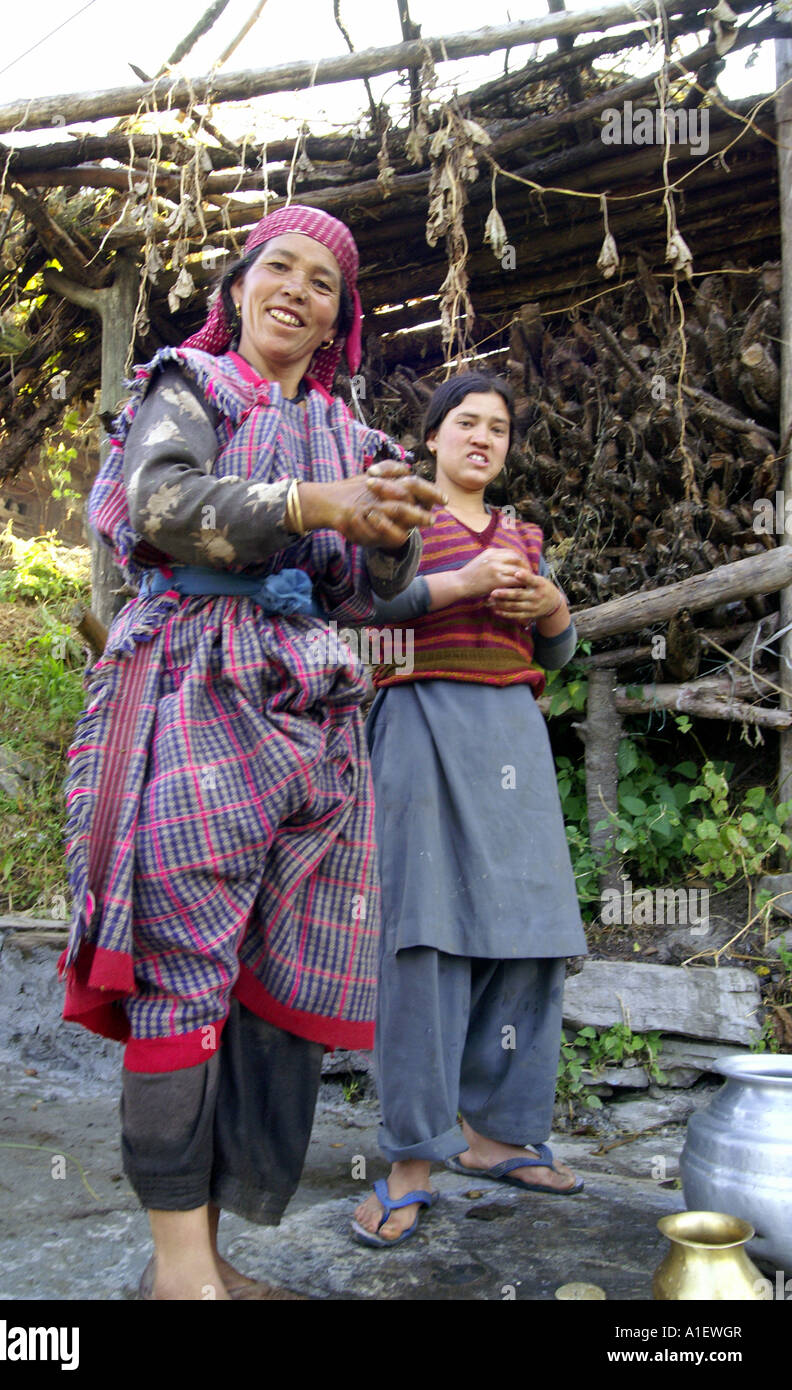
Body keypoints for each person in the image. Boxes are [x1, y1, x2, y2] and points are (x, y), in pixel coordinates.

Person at [59, 205, 443, 1298]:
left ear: (340, 318)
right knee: (186, 972)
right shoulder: (189, 386)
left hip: (311, 713)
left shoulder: (354, 436)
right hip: (191, 688)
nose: (299, 289)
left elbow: (390, 597)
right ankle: (180, 1274)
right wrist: (309, 503)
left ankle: (209, 1254)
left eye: (324, 282)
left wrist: (394, 529)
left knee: (267, 984)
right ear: (237, 285)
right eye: (281, 265)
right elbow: (163, 504)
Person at [352, 371, 588, 1248]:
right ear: (434, 436)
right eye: (466, 422)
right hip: (420, 722)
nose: (483, 437)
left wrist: (553, 604)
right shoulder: (403, 516)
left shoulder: (524, 536)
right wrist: (456, 585)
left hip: (514, 738)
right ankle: (412, 1159)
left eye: (498, 427)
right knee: (429, 936)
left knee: (531, 934)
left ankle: (498, 1133)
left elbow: (559, 653)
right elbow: (368, 618)